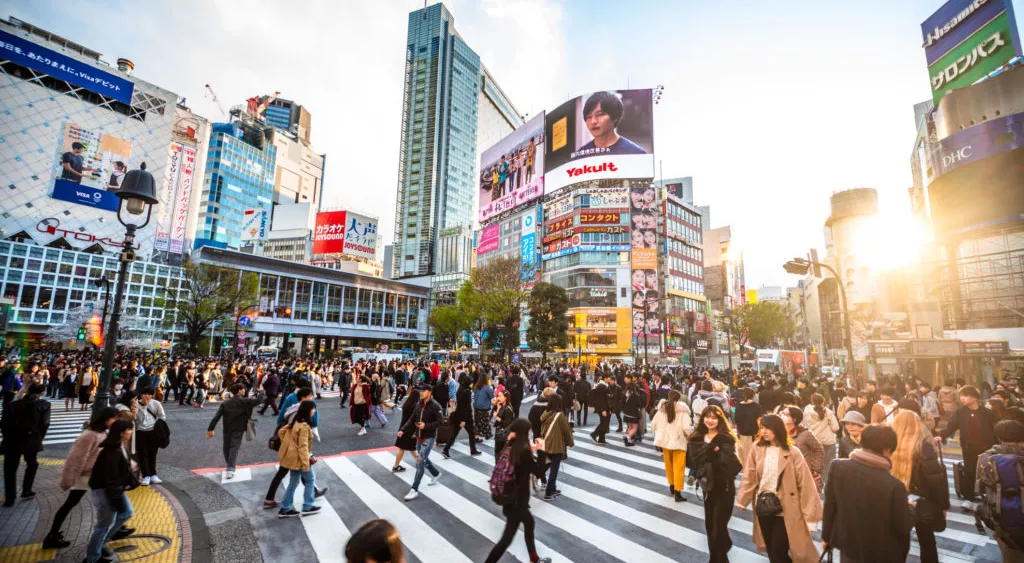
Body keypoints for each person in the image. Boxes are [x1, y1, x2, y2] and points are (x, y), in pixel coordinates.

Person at [737, 413, 822, 563]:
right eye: (762, 428)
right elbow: (749, 475)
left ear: (778, 429)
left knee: (778, 551)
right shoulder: (757, 448)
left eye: (768, 428)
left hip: (786, 508)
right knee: (771, 550)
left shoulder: (792, 452)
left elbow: (806, 483)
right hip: (764, 505)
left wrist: (810, 516)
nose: (764, 431)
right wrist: (743, 499)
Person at [822, 425, 915, 563]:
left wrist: (826, 538)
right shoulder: (894, 486)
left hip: (849, 547)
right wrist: (911, 507)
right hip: (881, 554)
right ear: (887, 450)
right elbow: (903, 525)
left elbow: (830, 506)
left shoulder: (837, 467)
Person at [43, 407, 119, 549]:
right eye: (114, 418)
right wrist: (68, 479)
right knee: (71, 503)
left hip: (96, 475)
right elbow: (76, 459)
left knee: (111, 501)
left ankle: (116, 529)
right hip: (86, 476)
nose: (115, 421)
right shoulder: (89, 435)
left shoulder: (104, 432)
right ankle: (52, 535)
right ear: (106, 418)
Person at [484, 418, 552, 563]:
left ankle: (534, 558)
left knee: (529, 524)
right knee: (506, 539)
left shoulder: (510, 447)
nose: (529, 434)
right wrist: (542, 450)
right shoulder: (523, 452)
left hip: (510, 499)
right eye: (528, 432)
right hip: (517, 502)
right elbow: (539, 471)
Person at [890, 411, 949, 563]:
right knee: (927, 540)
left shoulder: (889, 446)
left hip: (897, 499)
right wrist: (943, 506)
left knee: (900, 540)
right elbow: (936, 480)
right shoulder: (923, 446)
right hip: (920, 500)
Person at [688, 405, 743, 562]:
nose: (710, 421)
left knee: (719, 527)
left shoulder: (727, 438)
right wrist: (713, 451)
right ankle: (715, 559)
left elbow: (734, 466)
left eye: (714, 417)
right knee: (710, 526)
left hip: (724, 487)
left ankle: (722, 555)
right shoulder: (697, 437)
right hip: (707, 488)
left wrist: (715, 453)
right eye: (707, 417)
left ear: (719, 419)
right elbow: (693, 461)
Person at [936, 385, 997, 509]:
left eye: (966, 396)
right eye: (961, 396)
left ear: (974, 397)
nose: (962, 399)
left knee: (990, 472)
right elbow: (950, 427)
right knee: (969, 472)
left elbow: (996, 428)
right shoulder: (960, 412)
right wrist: (941, 436)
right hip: (969, 448)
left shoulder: (987, 413)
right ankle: (968, 499)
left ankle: (992, 497)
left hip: (988, 448)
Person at [85, 420, 137, 563]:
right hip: (105, 491)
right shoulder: (111, 451)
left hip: (114, 490)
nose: (131, 432)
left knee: (126, 513)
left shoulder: (119, 445)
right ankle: (92, 558)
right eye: (129, 429)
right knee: (103, 525)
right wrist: (117, 501)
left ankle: (101, 544)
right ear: (121, 433)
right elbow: (111, 479)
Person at [976, 420, 1024, 561]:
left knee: (1010, 554)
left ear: (999, 437)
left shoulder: (985, 457)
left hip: (1001, 517)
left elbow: (980, 486)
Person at [1, 383, 50, 506]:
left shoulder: (12, 405)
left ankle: (9, 498)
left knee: (10, 469)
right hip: (31, 439)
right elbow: (45, 424)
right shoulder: (43, 405)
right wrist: (39, 438)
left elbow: (3, 424)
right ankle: (26, 490)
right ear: (42, 392)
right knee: (32, 463)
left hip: (11, 440)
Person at [206, 383, 264, 480]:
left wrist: (211, 429)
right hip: (239, 428)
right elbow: (259, 400)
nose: (245, 391)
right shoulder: (245, 401)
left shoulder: (226, 403)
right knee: (234, 447)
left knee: (226, 447)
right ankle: (230, 468)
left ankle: (229, 465)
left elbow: (216, 417)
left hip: (227, 427)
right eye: (243, 389)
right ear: (239, 390)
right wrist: (261, 391)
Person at [273, 401, 321, 518]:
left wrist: (290, 445)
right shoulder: (304, 426)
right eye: (313, 409)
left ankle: (285, 508)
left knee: (293, 482)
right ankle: (308, 506)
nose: (314, 411)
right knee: (310, 479)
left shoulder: (295, 422)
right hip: (300, 459)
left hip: (292, 458)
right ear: (308, 410)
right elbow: (303, 447)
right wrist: (305, 464)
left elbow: (281, 431)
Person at [573, 91, 647, 159]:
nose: (593, 121)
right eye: (588, 117)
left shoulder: (635, 153)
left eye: (600, 115)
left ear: (615, 117)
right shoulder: (580, 155)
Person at [401, 385, 443, 501]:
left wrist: (426, 425)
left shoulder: (435, 406)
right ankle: (435, 474)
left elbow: (440, 422)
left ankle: (414, 489)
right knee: (423, 459)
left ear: (429, 392)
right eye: (421, 391)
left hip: (429, 438)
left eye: (423, 391)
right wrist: (402, 430)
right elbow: (411, 419)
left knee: (419, 461)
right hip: (419, 437)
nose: (421, 393)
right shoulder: (419, 404)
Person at [651, 389, 692, 502]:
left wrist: (658, 435)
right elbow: (687, 428)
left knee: (669, 465)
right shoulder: (683, 412)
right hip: (679, 442)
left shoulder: (661, 410)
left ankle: (672, 487)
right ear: (679, 399)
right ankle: (678, 493)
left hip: (664, 442)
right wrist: (689, 438)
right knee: (678, 468)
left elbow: (653, 424)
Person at [536, 393, 574, 501]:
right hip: (556, 446)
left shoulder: (545, 413)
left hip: (546, 445)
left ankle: (552, 488)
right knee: (554, 470)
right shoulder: (559, 415)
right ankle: (548, 493)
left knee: (551, 467)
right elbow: (567, 431)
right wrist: (570, 443)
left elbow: (543, 429)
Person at [803, 393, 839, 483]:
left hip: (814, 441)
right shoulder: (828, 412)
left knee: (815, 464)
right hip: (828, 441)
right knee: (828, 464)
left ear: (812, 401)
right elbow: (836, 428)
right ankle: (827, 483)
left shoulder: (807, 411)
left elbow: (804, 425)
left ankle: (816, 483)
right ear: (823, 401)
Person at [443, 373, 480, 458]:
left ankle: (446, 449)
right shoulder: (467, 391)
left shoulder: (460, 388)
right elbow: (465, 406)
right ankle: (473, 450)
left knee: (455, 433)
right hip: (466, 416)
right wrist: (463, 420)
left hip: (458, 414)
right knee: (471, 433)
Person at [134, 387, 166, 486]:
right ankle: (146, 475)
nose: (146, 396)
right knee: (143, 454)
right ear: (141, 394)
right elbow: (134, 418)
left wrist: (157, 427)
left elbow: (162, 416)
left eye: (149, 394)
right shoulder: (136, 404)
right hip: (140, 432)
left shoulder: (156, 403)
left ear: (152, 395)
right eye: (144, 394)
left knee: (152, 453)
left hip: (153, 432)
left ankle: (153, 474)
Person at [734, 387, 765, 466]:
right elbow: (760, 420)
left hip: (741, 432)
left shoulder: (739, 405)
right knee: (753, 454)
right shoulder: (756, 406)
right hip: (754, 433)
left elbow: (736, 419)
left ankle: (744, 470)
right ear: (753, 396)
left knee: (743, 454)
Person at [391, 392, 421, 472]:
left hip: (402, 427)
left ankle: (419, 462)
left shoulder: (406, 404)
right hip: (410, 430)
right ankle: (396, 466)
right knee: (407, 447)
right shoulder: (416, 406)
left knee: (409, 448)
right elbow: (416, 419)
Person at [492, 389, 516, 455]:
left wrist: (496, 417)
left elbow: (507, 423)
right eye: (498, 396)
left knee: (500, 452)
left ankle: (499, 465)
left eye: (500, 396)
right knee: (497, 452)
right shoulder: (501, 406)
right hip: (500, 433)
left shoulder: (508, 409)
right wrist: (498, 409)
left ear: (505, 398)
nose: (498, 398)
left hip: (503, 435)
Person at [473, 373, 495, 441]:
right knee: (485, 421)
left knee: (477, 421)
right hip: (483, 407)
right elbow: (492, 397)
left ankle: (476, 436)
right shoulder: (487, 388)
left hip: (476, 406)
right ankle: (487, 434)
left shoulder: (476, 387)